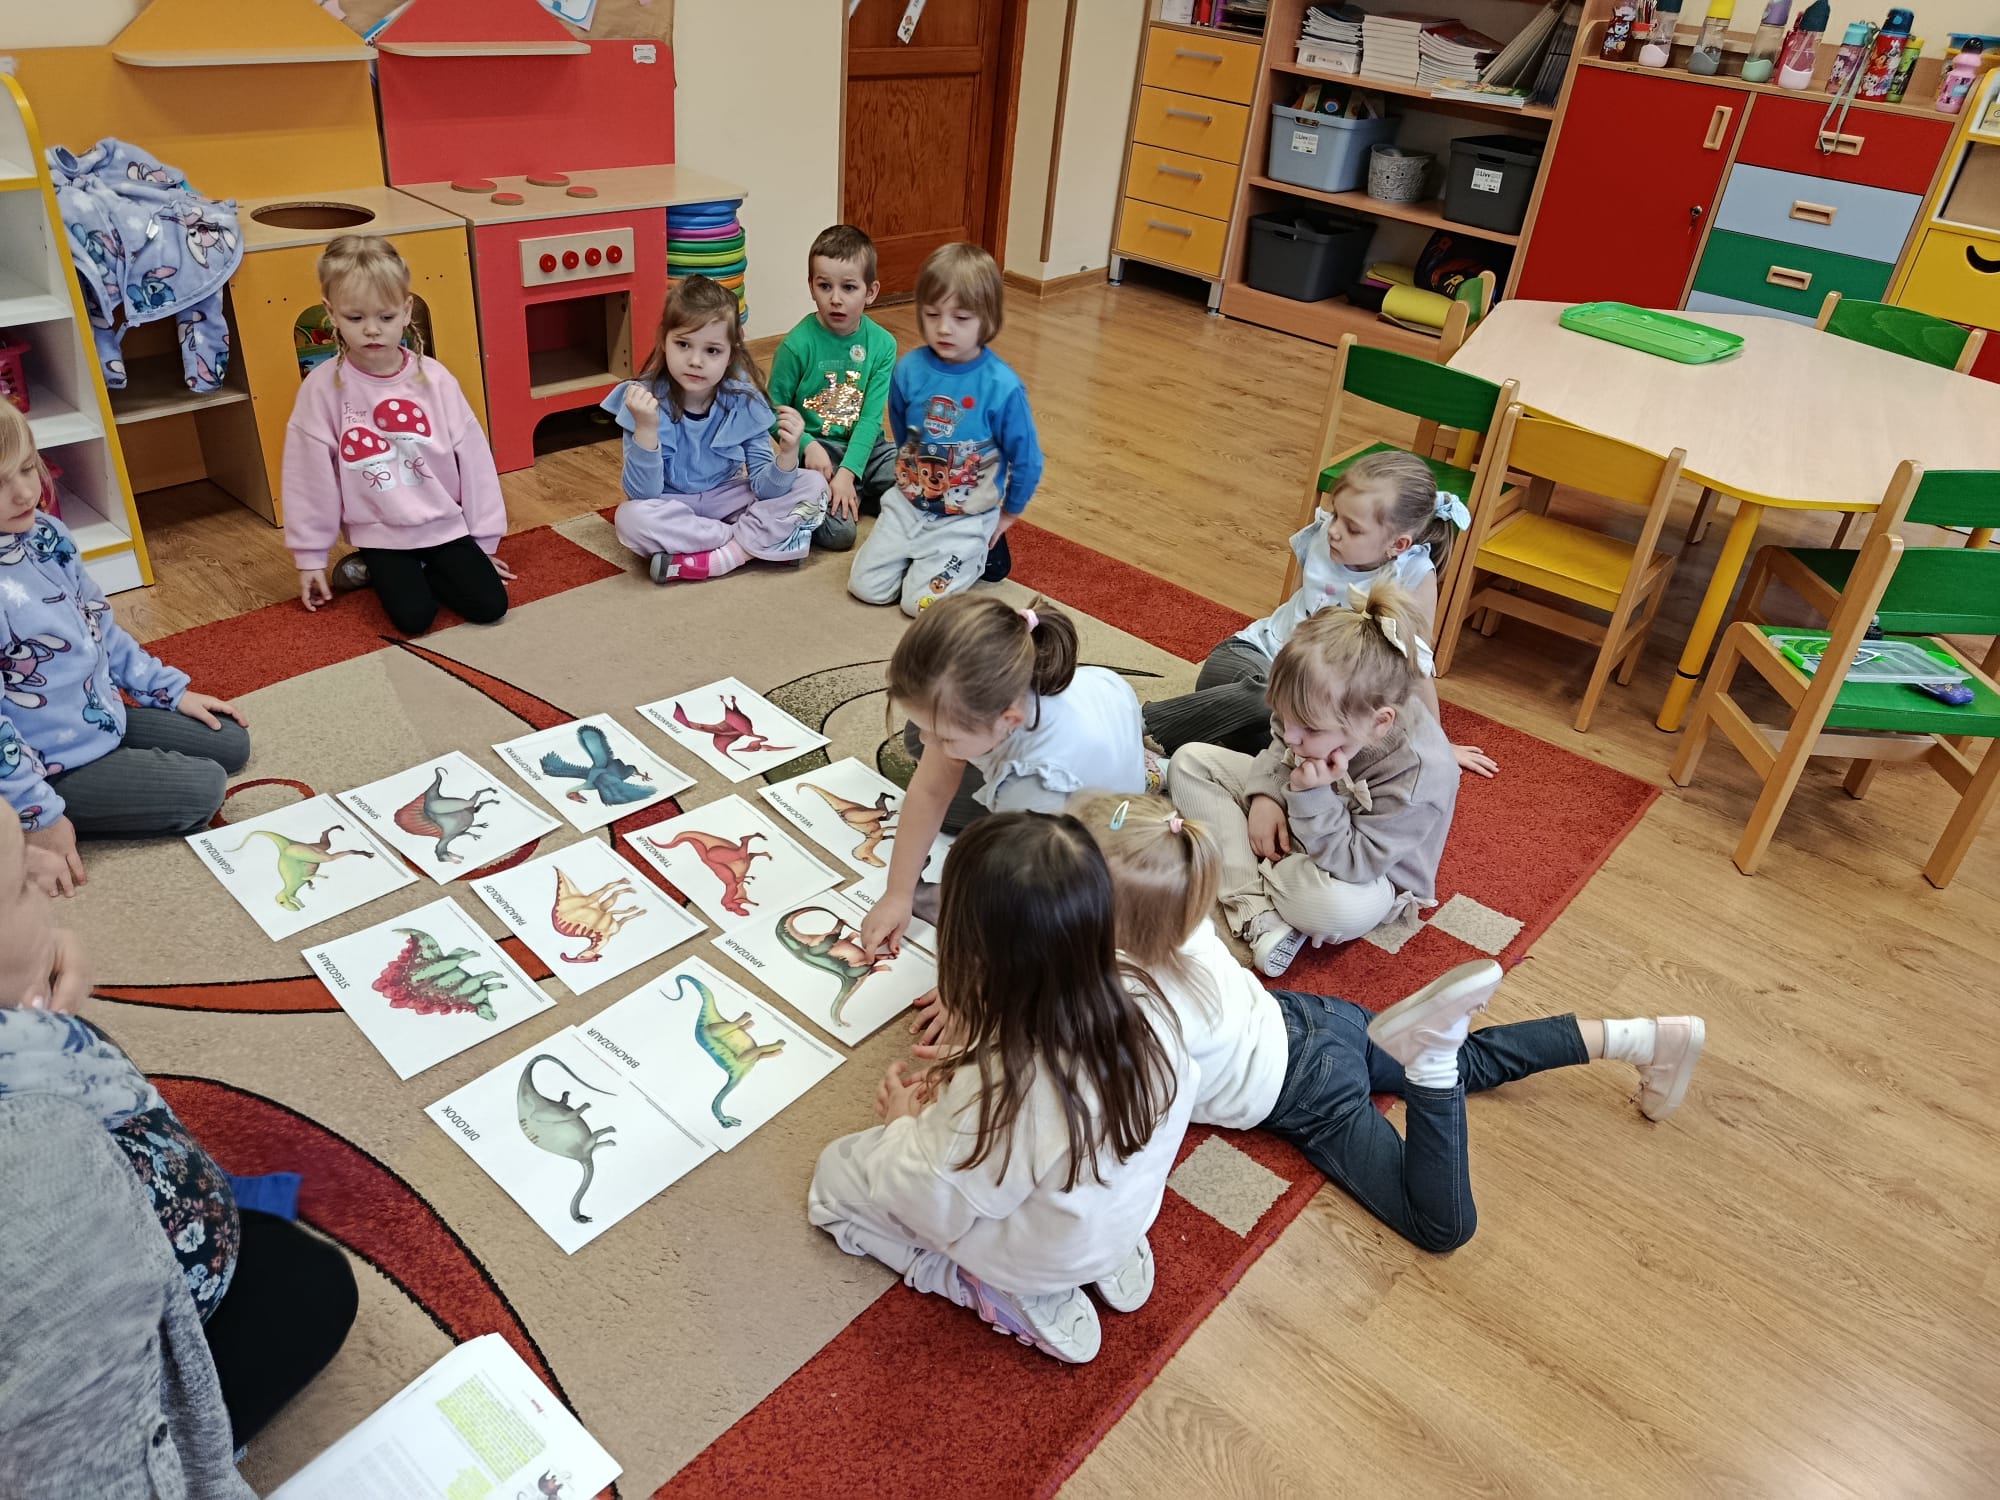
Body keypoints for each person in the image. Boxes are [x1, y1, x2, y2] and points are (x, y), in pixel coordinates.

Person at [1069, 791, 1707, 1253]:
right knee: (1477, 1059)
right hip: (1317, 1017)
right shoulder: (1181, 920)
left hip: (1306, 1092)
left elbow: (1121, 1115)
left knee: (1441, 1226)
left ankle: (1432, 1064)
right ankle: (1643, 1037)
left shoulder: (1122, 1004)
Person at [0, 811, 357, 1495]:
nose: (45, 886)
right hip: (118, 1374)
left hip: (134, 1231)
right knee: (313, 1287)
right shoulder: (37, 1178)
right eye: (21, 885)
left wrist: (32, 979)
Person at [808, 811, 1193, 1364]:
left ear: (976, 956)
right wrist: (976, 1054)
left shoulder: (1003, 1089)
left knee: (835, 1180)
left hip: (1042, 1256)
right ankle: (1102, 1256)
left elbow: (930, 1199)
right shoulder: (1145, 992)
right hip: (1121, 1214)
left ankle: (975, 1283)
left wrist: (901, 1126)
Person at [1, 401, 248, 897]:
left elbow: (100, 627)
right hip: (38, 765)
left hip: (92, 718)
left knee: (231, 743)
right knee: (204, 790)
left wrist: (170, 692)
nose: (25, 491)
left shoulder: (47, 534)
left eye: (28, 467)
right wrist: (38, 817)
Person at [1142, 449, 1497, 776]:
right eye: (1336, 515)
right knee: (1276, 705)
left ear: (1398, 544)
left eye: (1352, 528)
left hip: (1314, 705)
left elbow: (1414, 667)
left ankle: (1211, 754)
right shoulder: (1323, 534)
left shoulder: (1413, 576)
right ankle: (1144, 725)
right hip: (1251, 660)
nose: (1335, 531)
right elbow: (1292, 610)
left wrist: (1438, 745)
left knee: (1329, 750)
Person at [1169, 583, 1458, 978]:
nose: (1291, 736)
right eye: (1286, 716)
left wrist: (1312, 793)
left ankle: (1240, 864)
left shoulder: (1420, 774)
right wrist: (1267, 795)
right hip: (1306, 815)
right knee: (1189, 762)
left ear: (1379, 723)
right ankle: (1257, 911)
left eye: (1308, 728)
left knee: (1331, 909)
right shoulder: (1310, 712)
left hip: (1367, 875)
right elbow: (1280, 742)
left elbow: (1356, 863)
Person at [855, 593, 1147, 958]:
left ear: (1008, 719)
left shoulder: (1033, 783)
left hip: (1091, 838)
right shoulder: (1012, 679)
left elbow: (1021, 895)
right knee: (919, 734)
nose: (931, 742)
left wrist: (970, 967)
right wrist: (898, 893)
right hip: (1105, 735)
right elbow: (930, 790)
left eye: (945, 737)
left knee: (989, 884)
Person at [282, 235, 515, 636]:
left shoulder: (436, 379)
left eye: (386, 317)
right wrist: (311, 556)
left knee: (491, 605)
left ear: (407, 311)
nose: (372, 330)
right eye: (356, 318)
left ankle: (410, 568)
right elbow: (308, 477)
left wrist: (483, 543)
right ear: (332, 313)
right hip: (382, 532)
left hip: (445, 524)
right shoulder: (321, 388)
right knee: (414, 620)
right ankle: (374, 566)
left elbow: (474, 461)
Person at [847, 242, 1042, 612]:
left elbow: (1028, 459)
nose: (944, 328)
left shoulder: (1002, 386)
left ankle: (977, 555)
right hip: (907, 506)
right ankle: (924, 558)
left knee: (920, 605)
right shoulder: (909, 369)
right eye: (933, 314)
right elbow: (904, 435)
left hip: (965, 519)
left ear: (987, 318)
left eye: (961, 318)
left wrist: (1008, 513)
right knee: (865, 588)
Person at [604, 274, 829, 582]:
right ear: (664, 341)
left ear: (731, 353)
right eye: (683, 344)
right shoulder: (644, 399)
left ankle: (721, 557)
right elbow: (644, 494)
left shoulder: (744, 401)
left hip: (730, 499)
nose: (695, 361)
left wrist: (788, 456)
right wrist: (646, 429)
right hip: (673, 505)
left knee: (813, 485)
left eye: (712, 350)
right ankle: (750, 544)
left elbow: (764, 488)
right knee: (630, 518)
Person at [767, 224, 900, 553]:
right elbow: (770, 409)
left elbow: (870, 420)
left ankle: (857, 490)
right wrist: (807, 445)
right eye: (824, 286)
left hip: (867, 449)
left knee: (920, 478)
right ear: (811, 287)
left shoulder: (883, 345)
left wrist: (849, 473)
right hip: (819, 454)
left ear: (871, 291)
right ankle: (854, 497)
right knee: (840, 536)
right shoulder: (797, 344)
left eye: (849, 287)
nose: (836, 299)